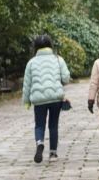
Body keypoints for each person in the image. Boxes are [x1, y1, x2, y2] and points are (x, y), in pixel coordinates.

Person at [22, 34, 70, 163]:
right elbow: (66, 78)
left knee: (39, 125)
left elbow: (27, 84)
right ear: (50, 45)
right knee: (53, 125)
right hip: (56, 98)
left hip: (39, 100)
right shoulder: (58, 59)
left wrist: (26, 101)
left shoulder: (31, 63)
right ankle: (53, 154)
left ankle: (39, 143)